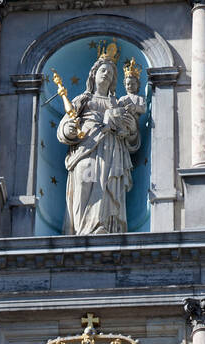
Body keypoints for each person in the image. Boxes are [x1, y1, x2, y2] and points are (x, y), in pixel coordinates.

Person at [57, 50, 142, 235]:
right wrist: (68, 129)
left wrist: (132, 129)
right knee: (84, 182)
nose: (107, 74)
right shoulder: (83, 100)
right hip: (86, 149)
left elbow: (132, 140)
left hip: (112, 151)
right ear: (93, 74)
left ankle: (106, 228)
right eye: (103, 70)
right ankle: (83, 229)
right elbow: (65, 124)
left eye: (110, 73)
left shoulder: (117, 104)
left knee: (108, 188)